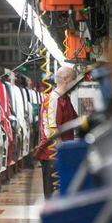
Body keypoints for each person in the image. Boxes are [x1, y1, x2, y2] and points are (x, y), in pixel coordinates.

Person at [34, 66, 78, 198]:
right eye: (74, 79)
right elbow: (53, 132)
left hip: (62, 153)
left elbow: (74, 122)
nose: (75, 83)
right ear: (65, 80)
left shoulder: (65, 98)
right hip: (53, 155)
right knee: (54, 197)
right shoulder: (54, 99)